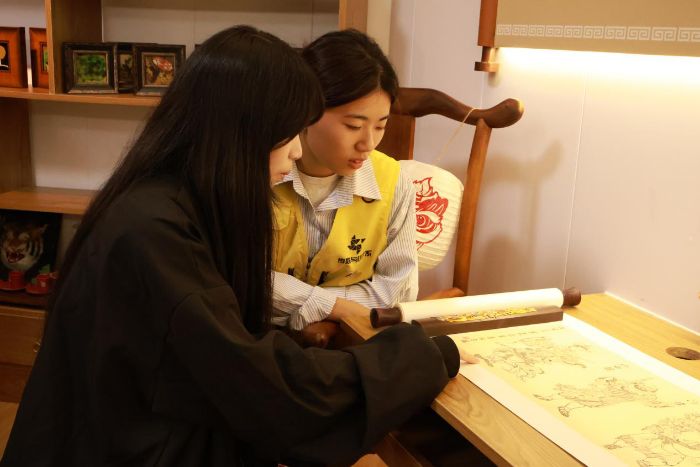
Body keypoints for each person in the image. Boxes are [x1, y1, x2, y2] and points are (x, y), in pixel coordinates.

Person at [0, 26, 471, 467]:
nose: (296, 152)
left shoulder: (169, 200)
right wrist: (425, 357)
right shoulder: (154, 234)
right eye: (288, 133)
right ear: (240, 131)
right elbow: (268, 392)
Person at [272, 29, 418, 333]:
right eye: (353, 125)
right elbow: (242, 279)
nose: (368, 144)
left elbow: (396, 291)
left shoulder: (392, 182)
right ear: (306, 109)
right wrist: (336, 307)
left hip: (351, 338)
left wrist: (313, 309)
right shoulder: (265, 170)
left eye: (381, 126)